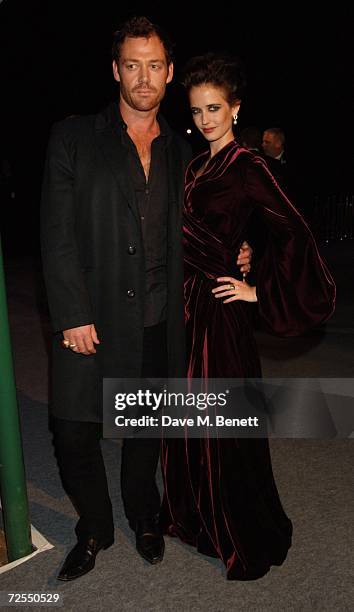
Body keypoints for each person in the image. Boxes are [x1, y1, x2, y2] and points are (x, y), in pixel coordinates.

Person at [40, 18, 251, 581]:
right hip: (91, 319)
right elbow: (56, 233)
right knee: (74, 429)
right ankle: (95, 526)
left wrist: (241, 252)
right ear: (116, 70)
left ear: (170, 73)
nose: (144, 77)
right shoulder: (75, 138)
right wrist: (71, 313)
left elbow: (213, 225)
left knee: (145, 427)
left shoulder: (187, 152)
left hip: (160, 318)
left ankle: (144, 513)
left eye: (155, 65)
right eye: (132, 65)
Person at [160, 53, 336, 580]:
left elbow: (295, 230)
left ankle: (237, 527)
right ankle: (193, 515)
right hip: (184, 308)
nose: (205, 119)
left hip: (219, 312)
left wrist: (258, 290)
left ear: (236, 108)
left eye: (214, 108)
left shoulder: (248, 165)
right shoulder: (194, 165)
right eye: (196, 111)